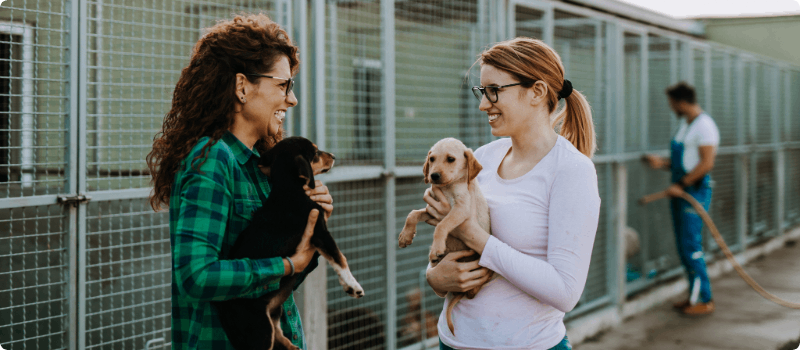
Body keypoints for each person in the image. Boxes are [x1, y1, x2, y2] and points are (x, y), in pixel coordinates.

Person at [146, 14, 333, 349]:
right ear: (242, 87)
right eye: (283, 85)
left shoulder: (259, 166)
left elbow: (265, 281)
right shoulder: (213, 159)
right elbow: (197, 276)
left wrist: (307, 222)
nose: (292, 99)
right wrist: (288, 264)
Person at [423, 37, 601, 350]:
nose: (483, 104)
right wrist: (435, 276)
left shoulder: (572, 171)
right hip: (451, 342)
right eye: (482, 91)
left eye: (494, 90)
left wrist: (474, 235)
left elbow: (565, 292)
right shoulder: (483, 158)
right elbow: (448, 248)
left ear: (537, 92)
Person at [643, 82, 719, 315]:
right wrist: (663, 163)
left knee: (691, 246)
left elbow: (706, 163)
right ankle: (693, 296)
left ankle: (704, 300)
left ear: (682, 102)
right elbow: (683, 161)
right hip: (681, 190)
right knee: (684, 247)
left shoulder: (704, 126)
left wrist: (681, 185)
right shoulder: (686, 125)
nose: (671, 108)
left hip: (693, 192)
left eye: (672, 104)